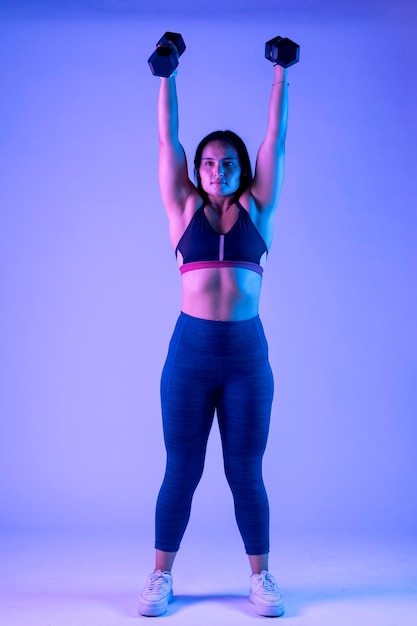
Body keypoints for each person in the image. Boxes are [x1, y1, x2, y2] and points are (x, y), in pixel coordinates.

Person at [138, 37, 290, 618]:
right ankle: (159, 577)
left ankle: (262, 578)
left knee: (245, 471)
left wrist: (279, 73)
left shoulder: (259, 209)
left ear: (240, 169)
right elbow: (166, 140)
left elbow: (275, 139)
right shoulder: (181, 211)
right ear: (197, 170)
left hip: (248, 357)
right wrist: (166, 76)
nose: (217, 169)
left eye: (228, 162)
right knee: (182, 468)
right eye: (208, 162)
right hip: (191, 354)